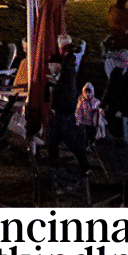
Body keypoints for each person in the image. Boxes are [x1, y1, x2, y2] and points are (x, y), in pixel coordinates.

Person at [44, 34, 88, 174]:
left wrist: (55, 80)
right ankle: (55, 167)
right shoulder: (73, 57)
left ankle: (81, 165)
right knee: (55, 138)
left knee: (64, 138)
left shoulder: (69, 59)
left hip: (64, 104)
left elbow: (67, 80)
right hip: (66, 103)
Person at [100, 49, 128, 137]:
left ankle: (122, 137)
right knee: (108, 115)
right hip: (116, 104)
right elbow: (109, 90)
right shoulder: (116, 72)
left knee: (118, 118)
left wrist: (122, 110)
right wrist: (102, 106)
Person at [75, 82, 104, 146]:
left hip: (93, 123)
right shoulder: (81, 102)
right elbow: (78, 111)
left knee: (93, 135)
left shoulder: (96, 102)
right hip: (85, 122)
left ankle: (93, 144)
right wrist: (78, 120)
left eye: (89, 92)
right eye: (86, 92)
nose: (87, 94)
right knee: (86, 135)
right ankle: (87, 146)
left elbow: (100, 110)